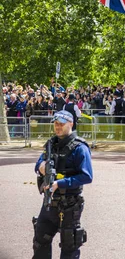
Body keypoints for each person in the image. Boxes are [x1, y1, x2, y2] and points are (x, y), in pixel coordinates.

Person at [33, 110, 93, 258]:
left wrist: (60, 183)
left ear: (71, 124)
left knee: (69, 247)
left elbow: (87, 176)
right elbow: (39, 164)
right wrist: (41, 167)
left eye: (61, 124)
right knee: (40, 242)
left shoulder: (80, 147)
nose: (58, 127)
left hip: (70, 205)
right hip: (49, 203)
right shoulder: (51, 144)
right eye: (56, 124)